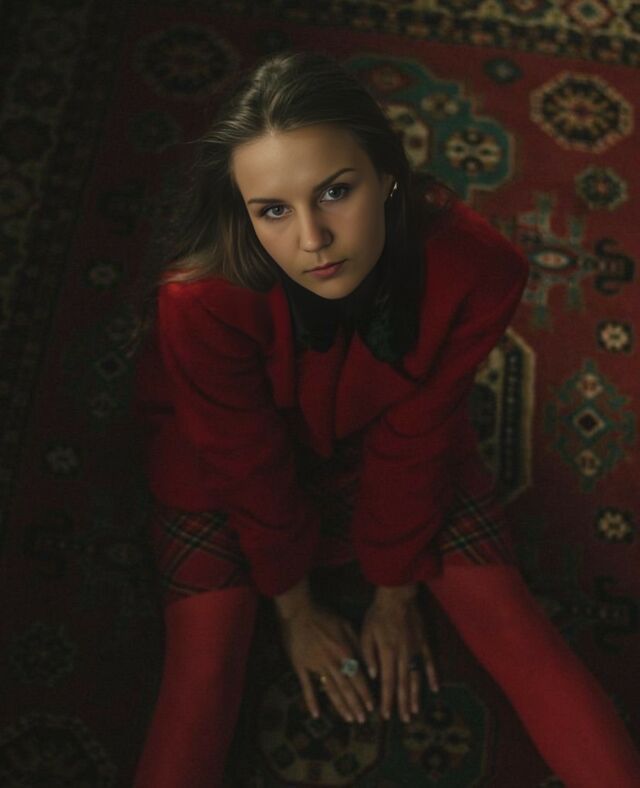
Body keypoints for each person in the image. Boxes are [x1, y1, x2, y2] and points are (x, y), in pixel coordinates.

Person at [132, 52, 640, 787]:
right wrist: (293, 607)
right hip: (221, 464)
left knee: (514, 625)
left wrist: (396, 587)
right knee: (203, 673)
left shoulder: (477, 267)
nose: (312, 239)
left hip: (389, 445)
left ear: (389, 177)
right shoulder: (201, 295)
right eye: (273, 211)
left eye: (336, 192)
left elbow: (420, 436)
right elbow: (240, 453)